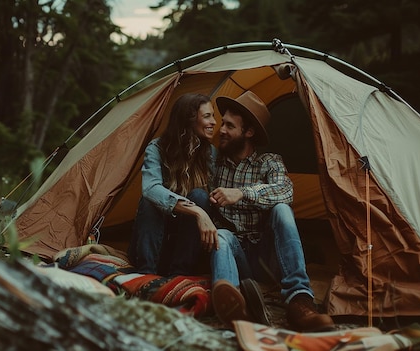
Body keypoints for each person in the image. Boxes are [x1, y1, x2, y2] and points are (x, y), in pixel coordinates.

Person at [208, 91, 334, 332]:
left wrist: (242, 193)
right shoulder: (214, 164)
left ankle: (299, 301)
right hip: (236, 255)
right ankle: (233, 303)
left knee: (282, 210)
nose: (221, 129)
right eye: (222, 123)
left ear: (249, 132)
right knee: (221, 235)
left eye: (229, 126)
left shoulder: (269, 162)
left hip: (267, 255)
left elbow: (285, 190)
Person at [127, 93, 220, 277]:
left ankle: (179, 276)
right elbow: (150, 188)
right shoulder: (157, 148)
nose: (214, 122)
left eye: (213, 115)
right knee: (149, 201)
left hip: (186, 247)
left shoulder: (210, 154)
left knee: (200, 196)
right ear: (189, 119)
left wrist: (203, 209)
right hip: (154, 245)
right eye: (207, 116)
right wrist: (197, 212)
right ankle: (147, 277)